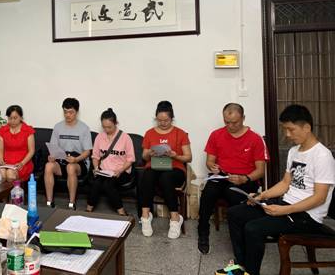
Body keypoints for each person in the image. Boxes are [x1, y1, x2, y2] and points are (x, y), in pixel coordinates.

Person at [227, 105, 335, 275]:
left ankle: (250, 272)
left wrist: (285, 210)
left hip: (307, 216)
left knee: (253, 228)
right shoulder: (294, 151)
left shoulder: (322, 156)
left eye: (291, 129)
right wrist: (261, 195)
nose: (287, 134)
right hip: (286, 204)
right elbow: (285, 183)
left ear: (307, 127)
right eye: (285, 130)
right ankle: (241, 266)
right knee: (235, 213)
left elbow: (319, 198)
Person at [197, 103, 269, 254]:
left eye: (234, 122)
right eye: (227, 122)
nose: (230, 126)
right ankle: (203, 232)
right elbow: (209, 161)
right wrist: (212, 167)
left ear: (243, 118)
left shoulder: (255, 138)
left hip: (245, 179)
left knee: (233, 194)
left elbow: (260, 171)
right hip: (222, 176)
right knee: (208, 193)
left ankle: (239, 239)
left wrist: (245, 178)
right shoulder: (216, 135)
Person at [140, 101, 192, 239]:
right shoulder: (150, 133)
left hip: (175, 169)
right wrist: (149, 153)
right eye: (159, 120)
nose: (163, 123)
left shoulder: (180, 133)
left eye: (166, 120)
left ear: (172, 118)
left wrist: (175, 155)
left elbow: (188, 157)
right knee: (147, 175)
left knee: (166, 178)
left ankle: (175, 218)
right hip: (155, 166)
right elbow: (144, 156)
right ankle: (145, 216)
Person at [44, 98, 93, 210]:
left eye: (71, 112)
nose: (67, 115)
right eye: (65, 112)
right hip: (62, 160)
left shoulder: (84, 128)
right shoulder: (58, 127)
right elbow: (53, 147)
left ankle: (71, 203)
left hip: (79, 162)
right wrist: (52, 156)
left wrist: (76, 159)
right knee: (48, 166)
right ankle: (49, 202)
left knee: (71, 167)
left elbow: (87, 152)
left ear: (77, 112)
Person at [86, 108, 135, 216]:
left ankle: (122, 212)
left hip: (121, 171)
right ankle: (88, 210)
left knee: (108, 185)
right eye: (104, 127)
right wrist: (96, 168)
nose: (106, 129)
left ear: (116, 123)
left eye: (109, 127)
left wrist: (120, 170)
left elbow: (130, 159)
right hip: (104, 171)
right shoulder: (100, 137)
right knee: (96, 183)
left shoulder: (125, 138)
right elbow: (95, 157)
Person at [0, 105, 35, 182]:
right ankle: (4, 191)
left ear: (21, 118)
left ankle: (15, 190)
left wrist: (22, 163)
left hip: (22, 164)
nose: (12, 121)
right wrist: (1, 161)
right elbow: (0, 149)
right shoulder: (3, 130)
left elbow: (31, 151)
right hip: (6, 163)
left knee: (10, 173)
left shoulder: (28, 130)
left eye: (15, 118)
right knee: (1, 172)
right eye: (10, 118)